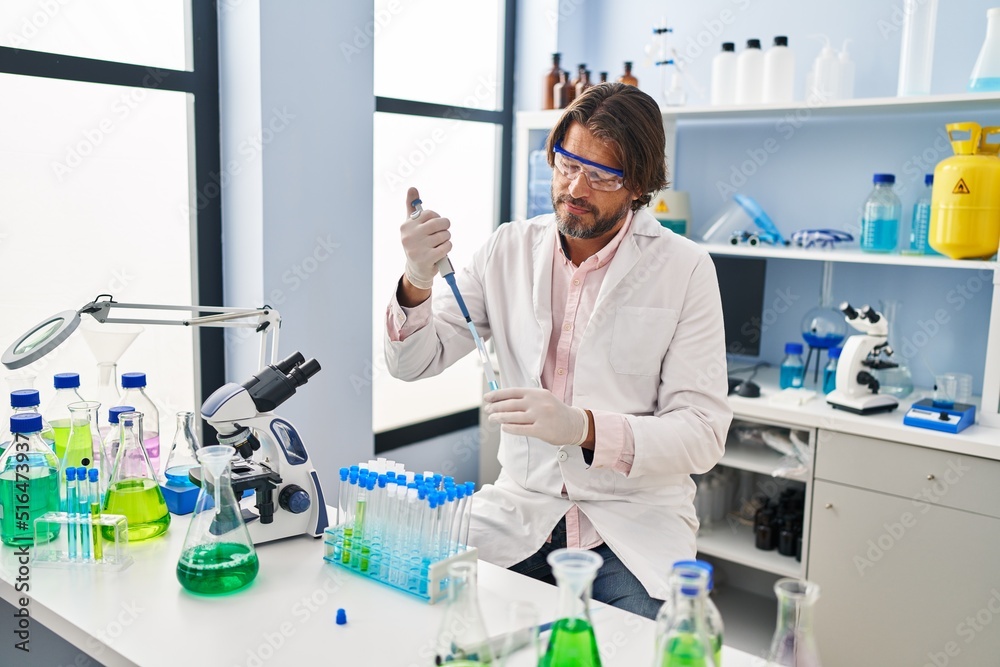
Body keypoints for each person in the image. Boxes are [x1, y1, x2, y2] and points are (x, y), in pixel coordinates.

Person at [384, 82, 732, 618]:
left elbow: (702, 435)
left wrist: (583, 427)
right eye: (567, 164)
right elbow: (412, 363)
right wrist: (417, 279)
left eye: (602, 176)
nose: (575, 187)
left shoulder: (685, 269)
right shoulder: (507, 249)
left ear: (639, 185)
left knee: (634, 647)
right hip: (519, 512)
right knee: (426, 614)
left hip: (630, 524)